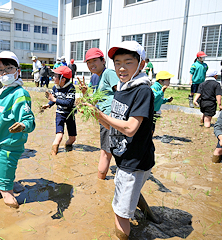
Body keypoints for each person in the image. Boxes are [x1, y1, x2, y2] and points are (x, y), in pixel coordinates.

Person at [80, 41, 157, 239]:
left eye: (128, 62)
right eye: (118, 63)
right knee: (128, 194)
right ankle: (149, 215)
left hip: (135, 160)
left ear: (141, 64)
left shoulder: (142, 91)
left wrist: (100, 115)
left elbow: (130, 128)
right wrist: (95, 113)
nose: (121, 68)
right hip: (124, 157)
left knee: (120, 213)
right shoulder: (122, 89)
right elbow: (112, 124)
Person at [0, 51, 35, 208]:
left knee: (5, 190)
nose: (5, 73)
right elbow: (2, 118)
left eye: (9, 68)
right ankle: (12, 183)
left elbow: (29, 119)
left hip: (10, 144)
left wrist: (23, 125)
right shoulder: (1, 93)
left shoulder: (20, 93)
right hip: (1, 144)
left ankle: (12, 206)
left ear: (18, 71)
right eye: (0, 70)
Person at [78, 47, 119, 180]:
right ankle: (100, 183)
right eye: (88, 62)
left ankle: (100, 182)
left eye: (94, 61)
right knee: (106, 152)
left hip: (112, 118)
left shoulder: (108, 73)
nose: (91, 65)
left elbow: (122, 92)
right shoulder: (97, 78)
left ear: (103, 60)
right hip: (104, 120)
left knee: (107, 153)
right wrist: (84, 93)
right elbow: (93, 103)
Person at [41, 66, 76, 155]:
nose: (53, 77)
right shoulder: (55, 87)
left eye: (55, 76)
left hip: (70, 114)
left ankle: (67, 146)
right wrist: (48, 104)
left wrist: (54, 100)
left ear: (63, 79)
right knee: (59, 135)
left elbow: (69, 103)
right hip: (60, 114)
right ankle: (53, 153)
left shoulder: (71, 88)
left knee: (72, 139)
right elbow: (53, 99)